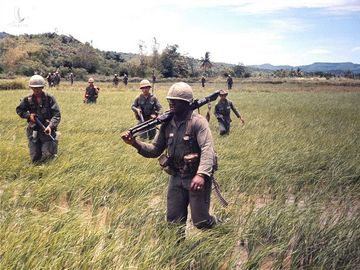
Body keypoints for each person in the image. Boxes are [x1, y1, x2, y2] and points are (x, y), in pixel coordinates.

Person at [122, 82, 217, 235]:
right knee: (173, 224)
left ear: (186, 103)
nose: (171, 103)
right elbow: (154, 150)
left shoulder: (198, 122)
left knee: (201, 221)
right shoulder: (167, 124)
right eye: (169, 100)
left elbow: (208, 149)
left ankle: (219, 228)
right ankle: (178, 253)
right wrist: (134, 143)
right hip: (176, 177)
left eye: (175, 101)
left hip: (196, 178)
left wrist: (201, 175)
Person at [16, 75, 61, 163]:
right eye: (34, 88)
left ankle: (48, 171)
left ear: (42, 87)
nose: (36, 90)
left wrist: (50, 126)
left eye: (38, 88)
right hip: (33, 130)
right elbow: (19, 110)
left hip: (47, 130)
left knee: (48, 154)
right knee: (35, 155)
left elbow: (57, 114)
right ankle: (37, 170)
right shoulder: (27, 99)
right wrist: (29, 116)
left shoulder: (49, 98)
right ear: (31, 87)